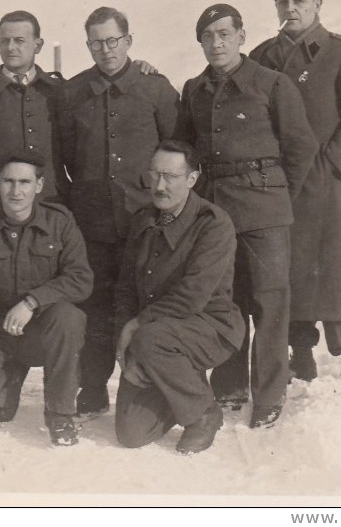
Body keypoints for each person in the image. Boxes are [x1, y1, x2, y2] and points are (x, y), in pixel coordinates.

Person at [175, 4, 317, 428]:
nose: (216, 43)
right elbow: (187, 150)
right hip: (216, 212)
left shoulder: (272, 84)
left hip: (265, 212)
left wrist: (274, 194)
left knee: (270, 304)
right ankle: (230, 385)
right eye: (207, 36)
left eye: (224, 34)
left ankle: (270, 393)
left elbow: (300, 148)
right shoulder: (194, 89)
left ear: (241, 35)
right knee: (225, 302)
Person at [249, 0, 341, 383]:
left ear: (318, 4)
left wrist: (332, 162)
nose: (292, 8)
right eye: (284, 2)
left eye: (300, 0)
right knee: (290, 269)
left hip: (331, 185)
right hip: (283, 183)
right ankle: (299, 351)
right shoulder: (261, 57)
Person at [60, 6, 180, 418]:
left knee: (147, 306)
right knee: (94, 308)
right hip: (91, 223)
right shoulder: (73, 93)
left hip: (146, 222)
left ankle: (147, 390)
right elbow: (63, 157)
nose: (105, 50)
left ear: (128, 41)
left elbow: (177, 150)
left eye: (113, 40)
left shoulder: (156, 88)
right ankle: (91, 389)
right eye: (96, 42)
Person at [0, 150, 92, 446]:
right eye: (9, 182)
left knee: (69, 317)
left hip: (42, 332)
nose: (17, 191)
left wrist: (32, 301)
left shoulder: (60, 222)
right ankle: (10, 381)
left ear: (39, 185)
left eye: (25, 182)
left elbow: (81, 279)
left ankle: (60, 413)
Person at [114, 140, 245, 454]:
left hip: (209, 328)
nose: (160, 186)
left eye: (170, 177)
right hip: (155, 336)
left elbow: (192, 296)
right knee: (131, 433)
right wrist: (126, 346)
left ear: (191, 179)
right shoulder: (143, 219)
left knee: (150, 340)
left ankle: (203, 413)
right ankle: (178, 383)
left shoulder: (213, 224)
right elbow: (125, 290)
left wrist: (137, 329)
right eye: (155, 175)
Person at [0, 11, 69, 218]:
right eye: (4, 41)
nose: (10, 48)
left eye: (19, 41)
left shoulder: (57, 91)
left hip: (51, 208)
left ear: (38, 45)